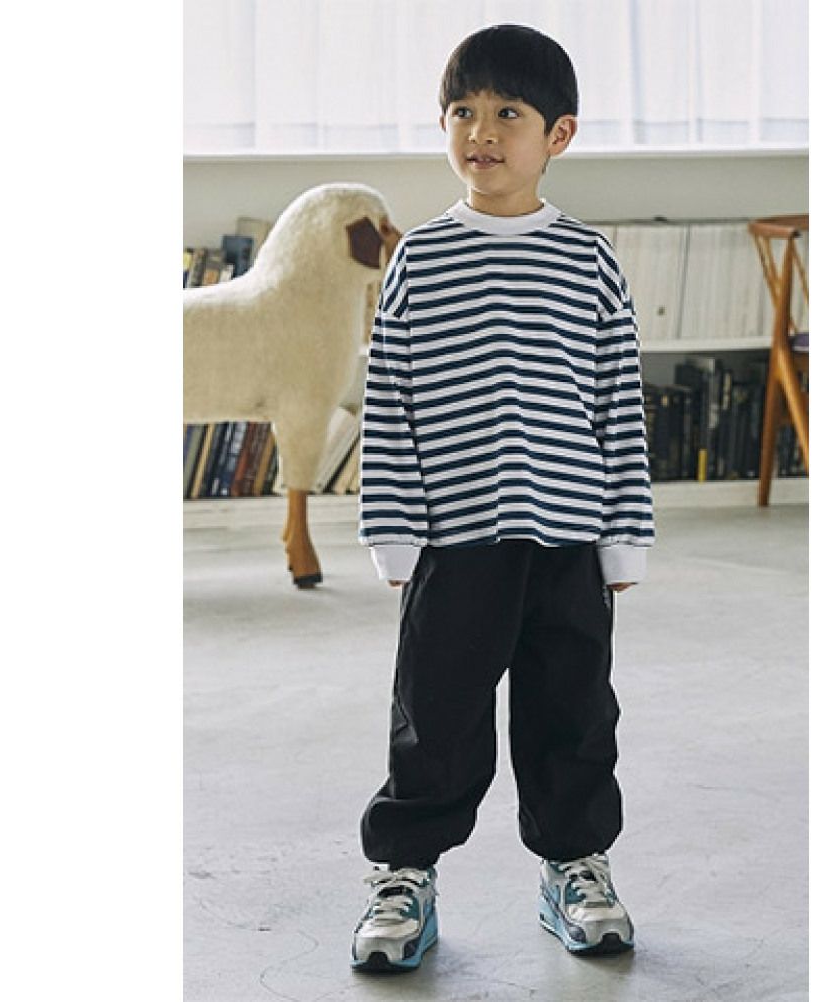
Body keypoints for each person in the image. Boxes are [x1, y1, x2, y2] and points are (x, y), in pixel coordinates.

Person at [352, 23, 656, 973]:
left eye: (507, 113)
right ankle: (405, 875)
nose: (480, 131)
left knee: (574, 715)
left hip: (568, 540)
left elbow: (617, 403)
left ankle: (576, 866)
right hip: (457, 541)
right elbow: (391, 400)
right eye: (462, 111)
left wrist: (624, 535)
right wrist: (395, 531)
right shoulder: (422, 258)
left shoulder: (587, 259)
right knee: (435, 718)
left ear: (557, 134)